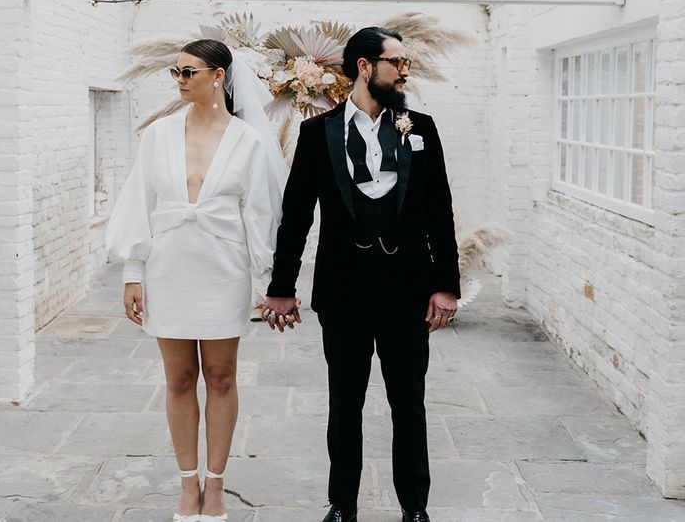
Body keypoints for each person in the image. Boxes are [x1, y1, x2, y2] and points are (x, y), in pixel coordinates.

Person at [262, 27, 460, 522]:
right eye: (397, 61)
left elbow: (440, 211)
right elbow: (297, 215)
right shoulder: (317, 133)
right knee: (344, 404)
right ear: (366, 67)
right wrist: (281, 288)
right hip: (343, 292)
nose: (406, 69)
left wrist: (446, 285)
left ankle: (415, 508)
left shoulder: (422, 128)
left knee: (408, 405)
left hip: (408, 291)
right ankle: (342, 506)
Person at [106, 39, 287, 522]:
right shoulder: (157, 135)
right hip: (168, 268)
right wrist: (132, 271)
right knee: (179, 379)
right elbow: (138, 204)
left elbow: (260, 215)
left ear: (219, 76)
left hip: (222, 270)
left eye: (188, 71)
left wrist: (266, 285)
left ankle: (218, 484)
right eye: (175, 73)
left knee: (222, 377)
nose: (180, 80)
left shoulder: (247, 140)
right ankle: (188, 485)